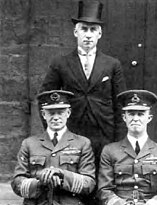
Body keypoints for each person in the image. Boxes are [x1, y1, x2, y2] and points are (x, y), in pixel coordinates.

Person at [40, 0, 127, 170]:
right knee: (72, 175)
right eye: (84, 29)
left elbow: (120, 103)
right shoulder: (61, 63)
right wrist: (53, 129)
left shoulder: (112, 64)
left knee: (101, 177)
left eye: (93, 30)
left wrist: (118, 136)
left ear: (99, 34)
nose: (88, 35)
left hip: (104, 132)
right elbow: (44, 98)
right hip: (72, 130)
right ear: (75, 32)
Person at [11, 90, 96, 205]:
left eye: (60, 112)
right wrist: (40, 181)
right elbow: (17, 183)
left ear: (68, 113)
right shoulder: (29, 144)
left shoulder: (82, 143)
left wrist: (62, 176)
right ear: (43, 114)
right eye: (51, 113)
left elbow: (89, 183)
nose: (56, 117)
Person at [98, 90, 157, 205]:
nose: (135, 118)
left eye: (140, 114)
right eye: (131, 114)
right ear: (124, 117)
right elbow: (104, 191)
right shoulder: (110, 151)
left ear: (149, 118)